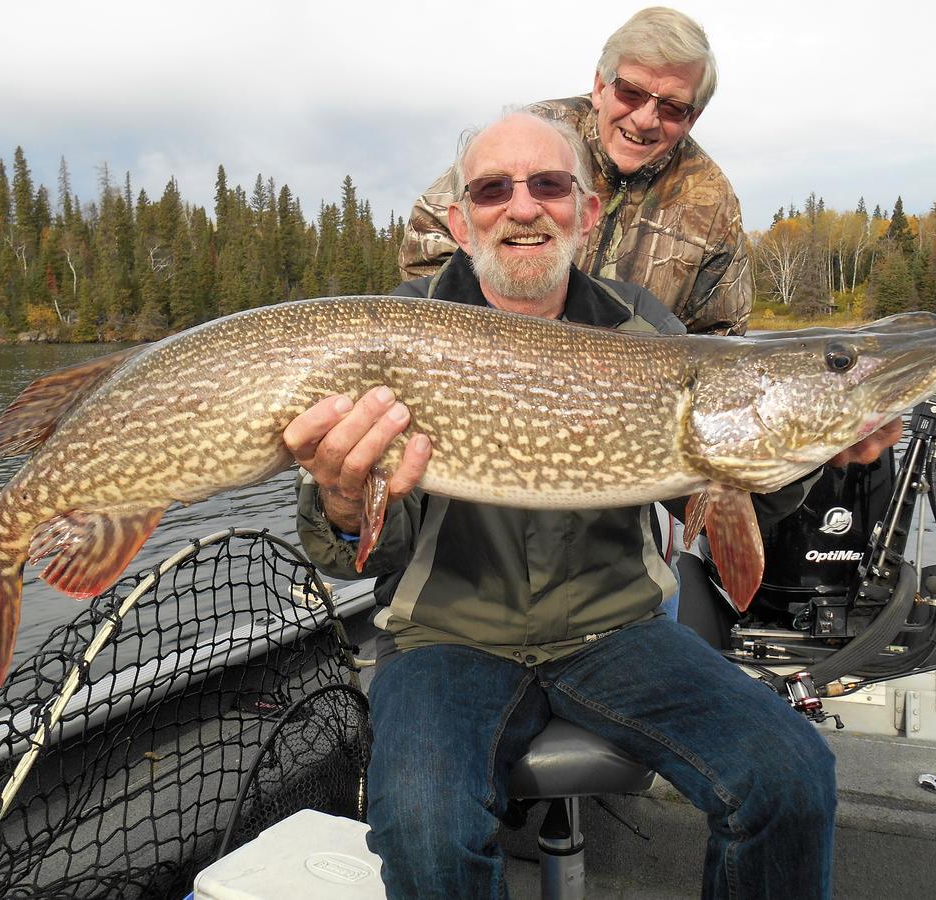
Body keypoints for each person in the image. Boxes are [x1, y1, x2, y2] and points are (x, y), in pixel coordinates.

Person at [283, 111, 842, 899]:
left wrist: (812, 446)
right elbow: (353, 555)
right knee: (423, 827)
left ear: (586, 212)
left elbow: (729, 500)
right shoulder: (393, 332)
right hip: (445, 633)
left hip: (619, 627)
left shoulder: (644, 329)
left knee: (791, 775)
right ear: (459, 218)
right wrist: (343, 498)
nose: (522, 207)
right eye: (492, 189)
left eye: (549, 185)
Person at [399, 6, 752, 337]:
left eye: (673, 107)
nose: (645, 120)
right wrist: (489, 345)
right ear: (601, 86)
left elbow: (719, 336)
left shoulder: (712, 200)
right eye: (631, 93)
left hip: (636, 371)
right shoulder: (538, 135)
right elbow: (429, 237)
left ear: (693, 117)